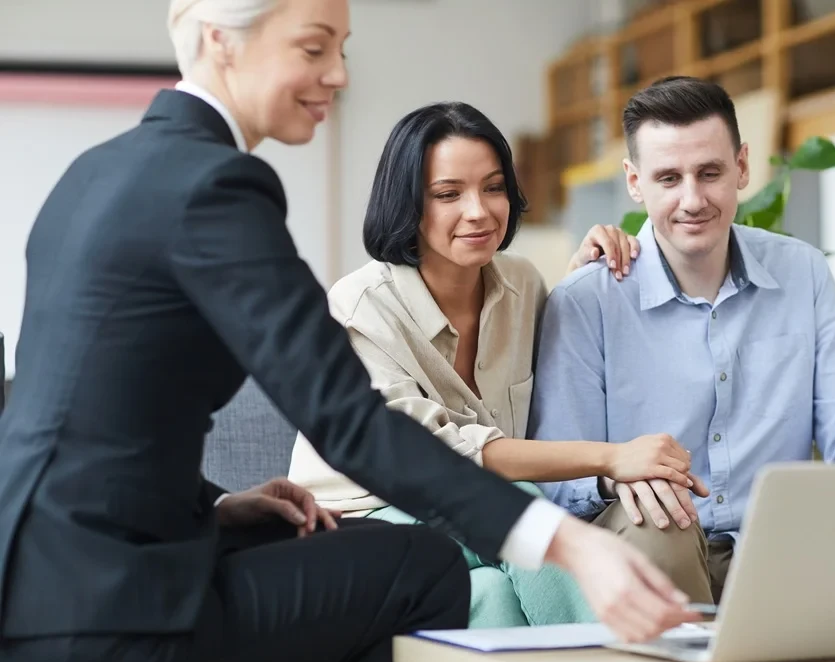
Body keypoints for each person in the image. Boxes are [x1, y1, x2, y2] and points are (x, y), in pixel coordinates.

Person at [0, 3, 702, 662]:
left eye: (341, 48)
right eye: (313, 47)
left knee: (363, 546)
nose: (337, 72)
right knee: (420, 564)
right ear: (221, 41)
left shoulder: (98, 171)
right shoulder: (215, 187)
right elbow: (350, 421)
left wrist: (219, 504)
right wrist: (565, 541)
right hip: (112, 610)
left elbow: (97, 409)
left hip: (41, 578)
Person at [528, 75, 835, 606]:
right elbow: (556, 477)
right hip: (651, 548)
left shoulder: (801, 272)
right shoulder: (585, 301)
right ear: (635, 181)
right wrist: (613, 477)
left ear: (741, 166)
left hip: (779, 544)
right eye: (669, 178)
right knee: (660, 522)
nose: (693, 199)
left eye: (710, 172)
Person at [288, 100, 711, 628]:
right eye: (448, 194)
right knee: (519, 505)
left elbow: (565, 357)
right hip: (362, 518)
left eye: (493, 187)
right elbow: (440, 456)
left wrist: (586, 279)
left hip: (468, 525)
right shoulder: (359, 307)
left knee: (487, 593)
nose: (479, 211)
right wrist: (612, 457)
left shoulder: (523, 284)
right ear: (406, 204)